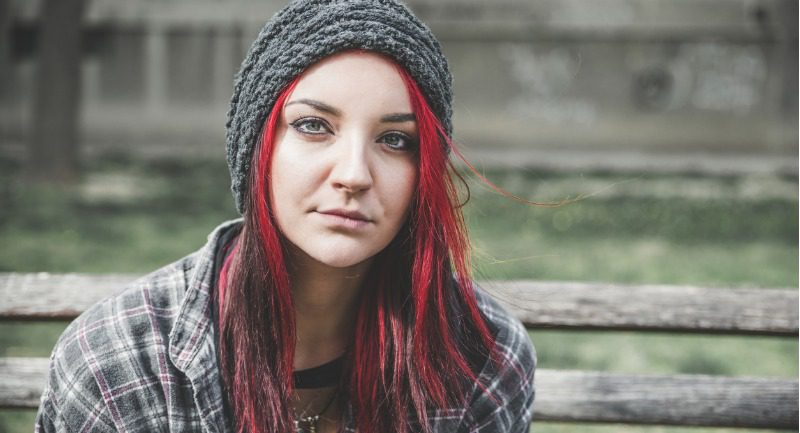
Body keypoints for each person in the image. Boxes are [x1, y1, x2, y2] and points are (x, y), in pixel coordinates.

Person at [34, 1, 536, 432]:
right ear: (258, 152)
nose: (355, 174)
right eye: (314, 125)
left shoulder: (481, 357)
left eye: (395, 139)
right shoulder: (120, 363)